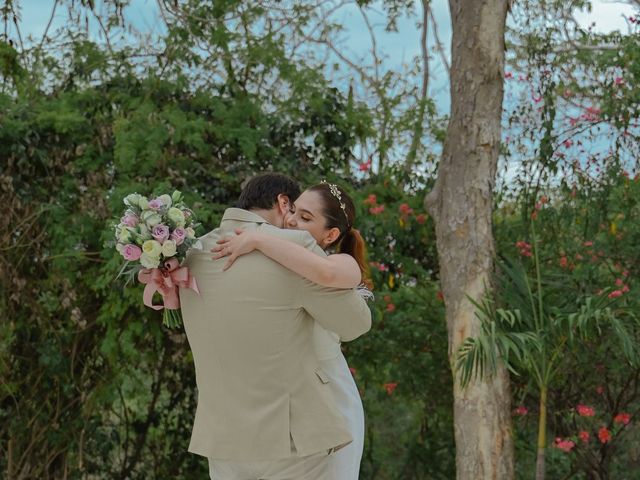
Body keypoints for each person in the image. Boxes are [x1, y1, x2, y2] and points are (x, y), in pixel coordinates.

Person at [179, 173, 372, 480]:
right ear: (284, 203)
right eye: (295, 211)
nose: (294, 221)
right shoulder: (295, 249)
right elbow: (355, 324)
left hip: (223, 441)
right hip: (292, 441)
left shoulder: (189, 256)